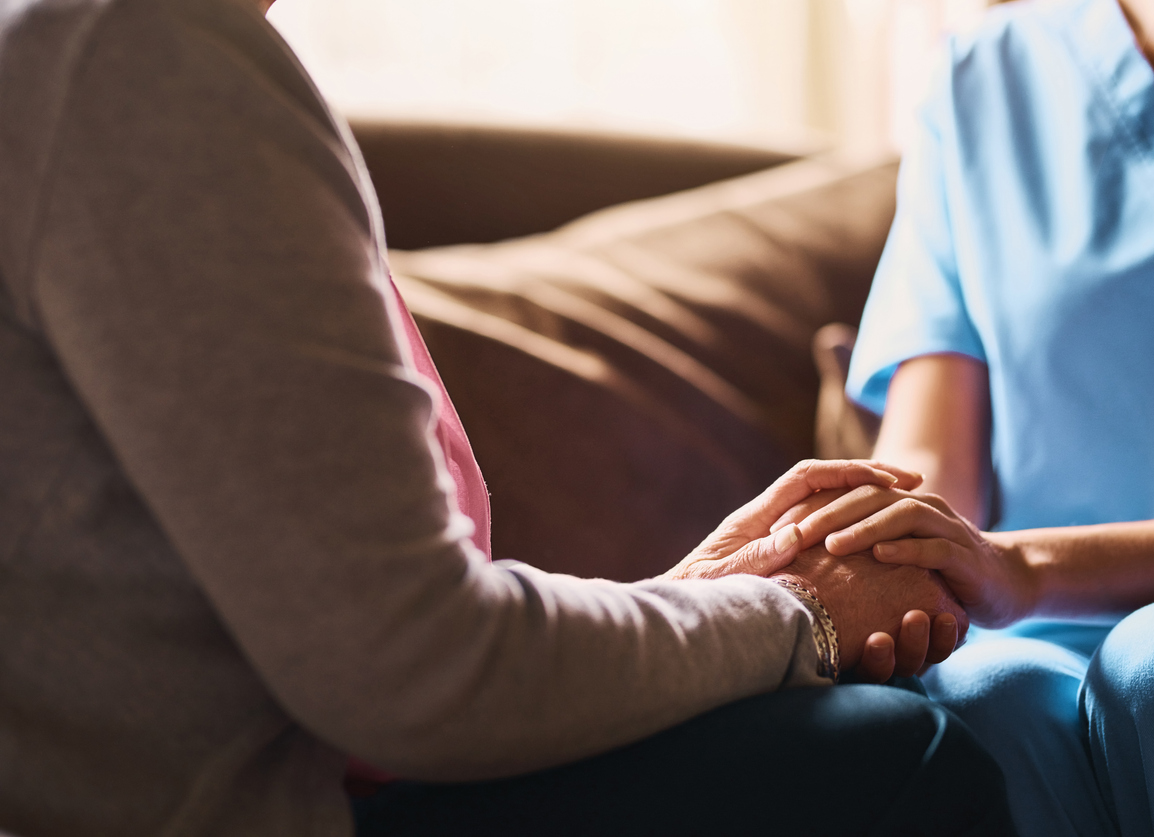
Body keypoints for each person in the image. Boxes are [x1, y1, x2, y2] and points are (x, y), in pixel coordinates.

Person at [0, 0, 1018, 835]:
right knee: (890, 757)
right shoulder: (140, 59)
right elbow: (420, 675)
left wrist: (696, 595)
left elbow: (369, 636)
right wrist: (794, 613)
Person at [774, 0, 1154, 834]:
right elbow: (933, 455)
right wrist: (886, 554)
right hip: (1019, 622)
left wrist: (1027, 567)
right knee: (978, 696)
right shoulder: (986, 76)